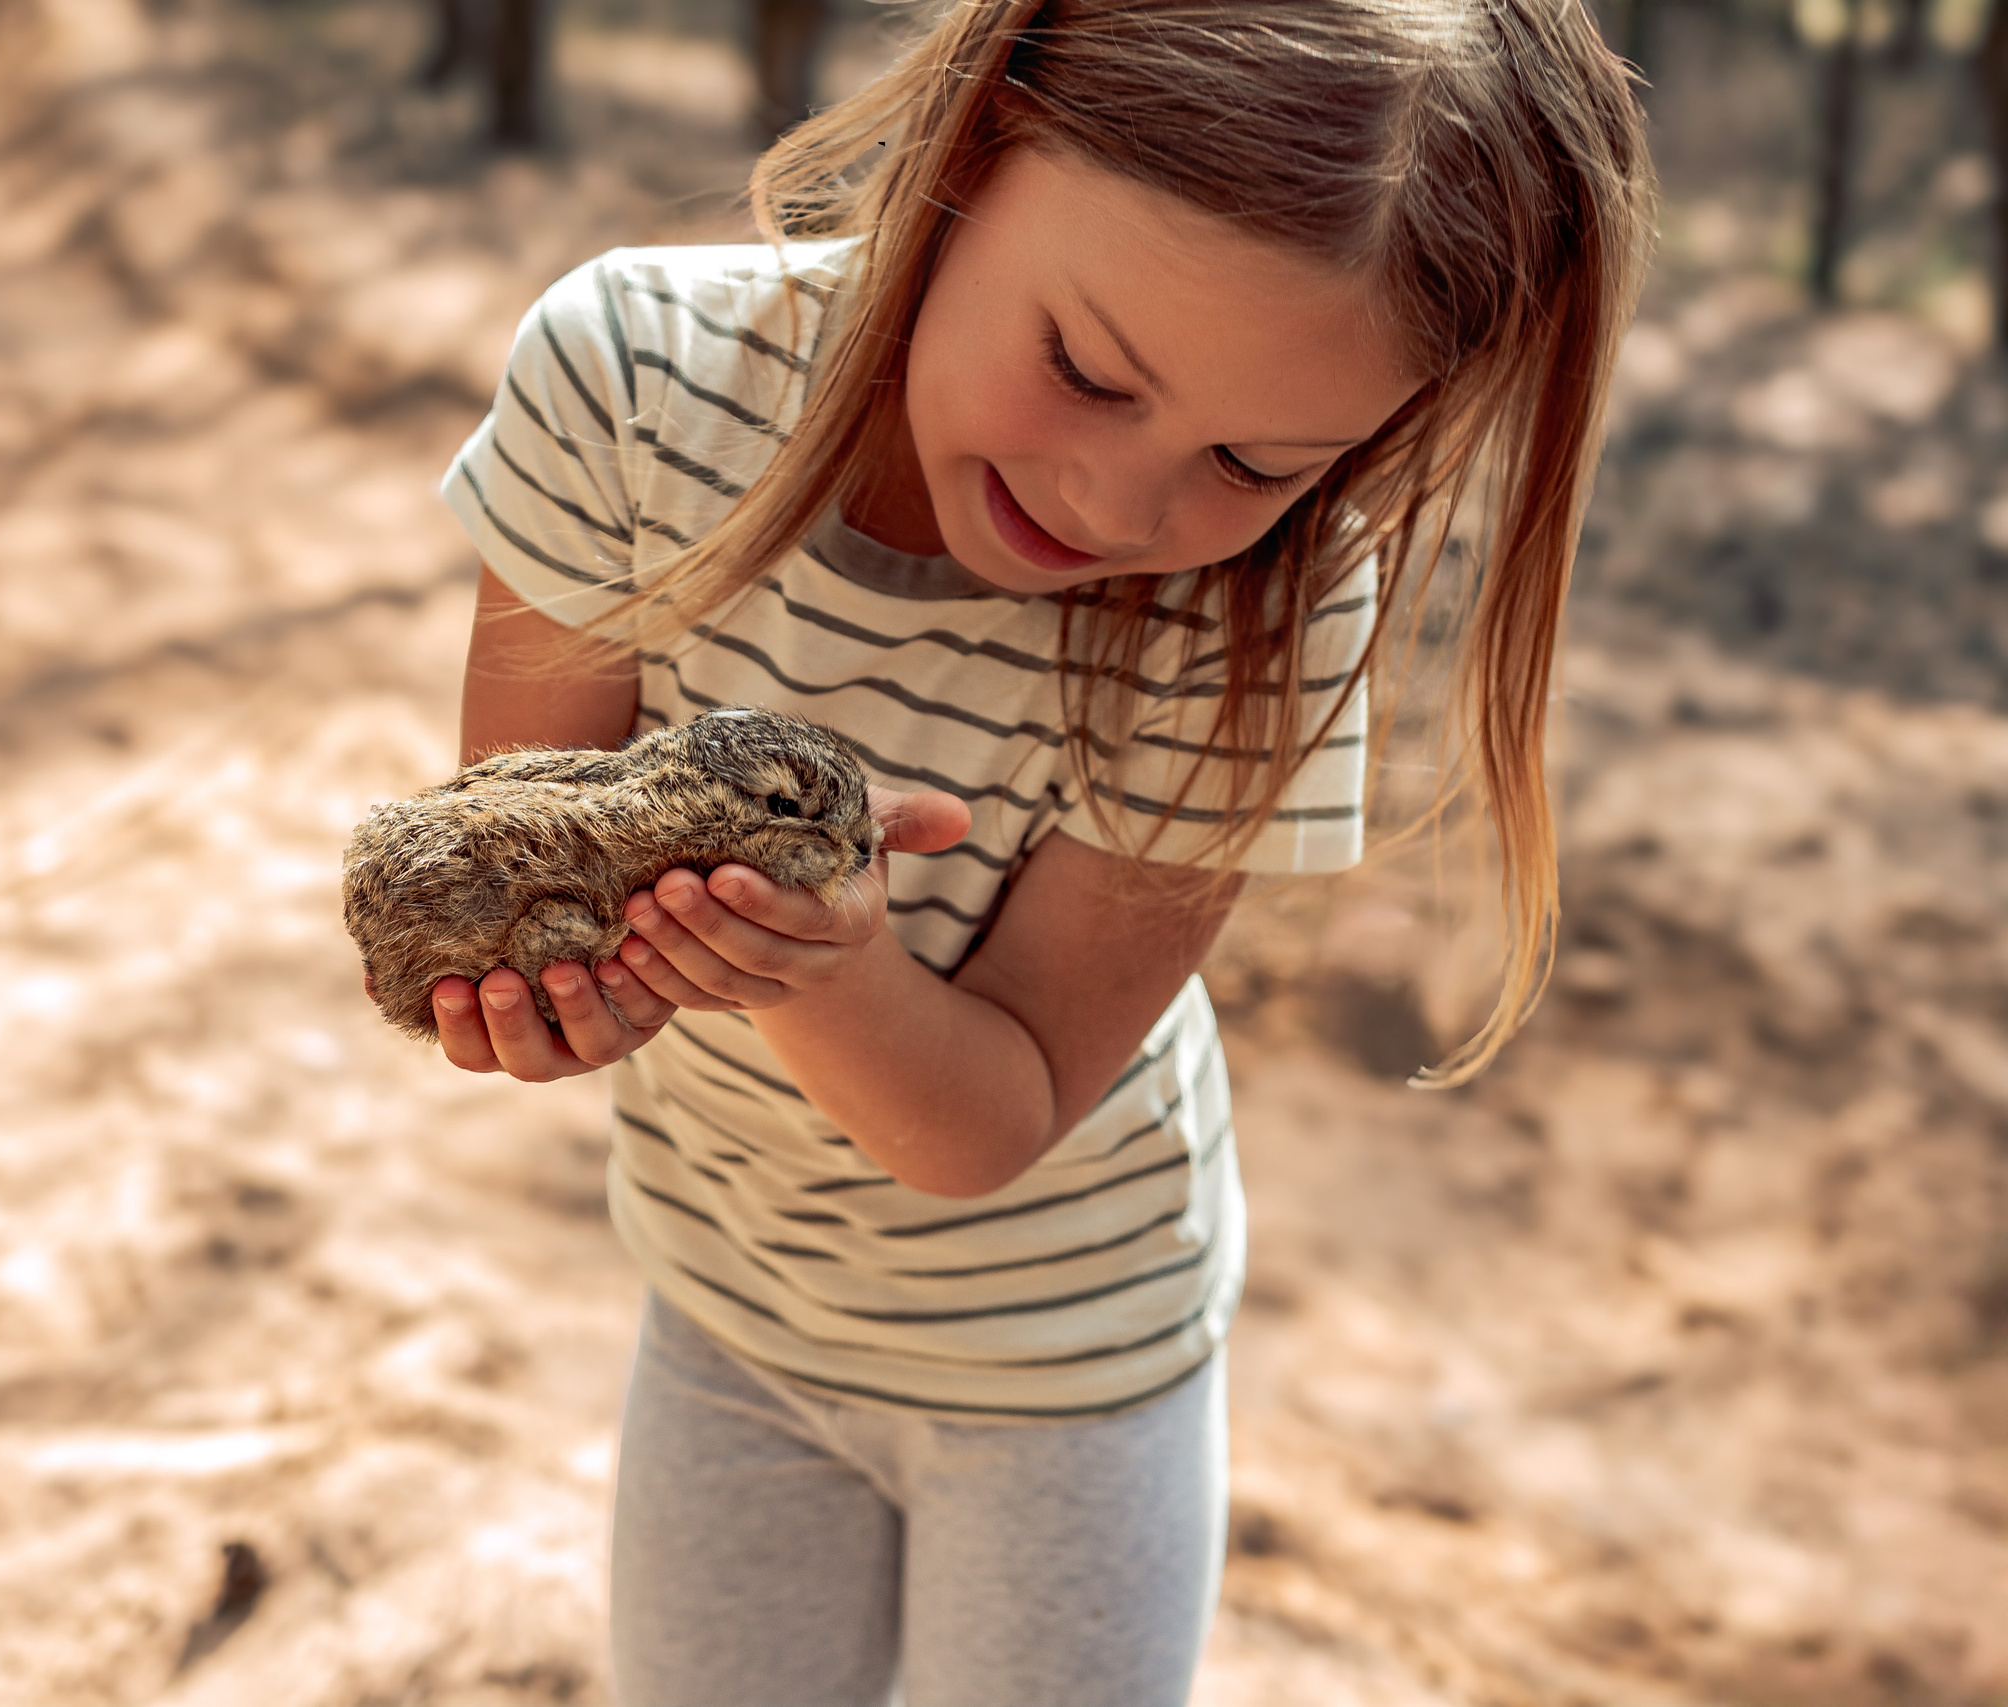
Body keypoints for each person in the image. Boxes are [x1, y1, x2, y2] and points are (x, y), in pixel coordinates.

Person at [416, 0, 1653, 1699]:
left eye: (1253, 461)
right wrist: (556, 989)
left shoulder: (1263, 607)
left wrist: (827, 958)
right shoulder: (631, 388)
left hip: (1068, 1372)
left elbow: (982, 1120)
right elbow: (523, 866)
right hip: (721, 1308)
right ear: (977, 146)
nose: (1121, 508)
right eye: (1086, 368)